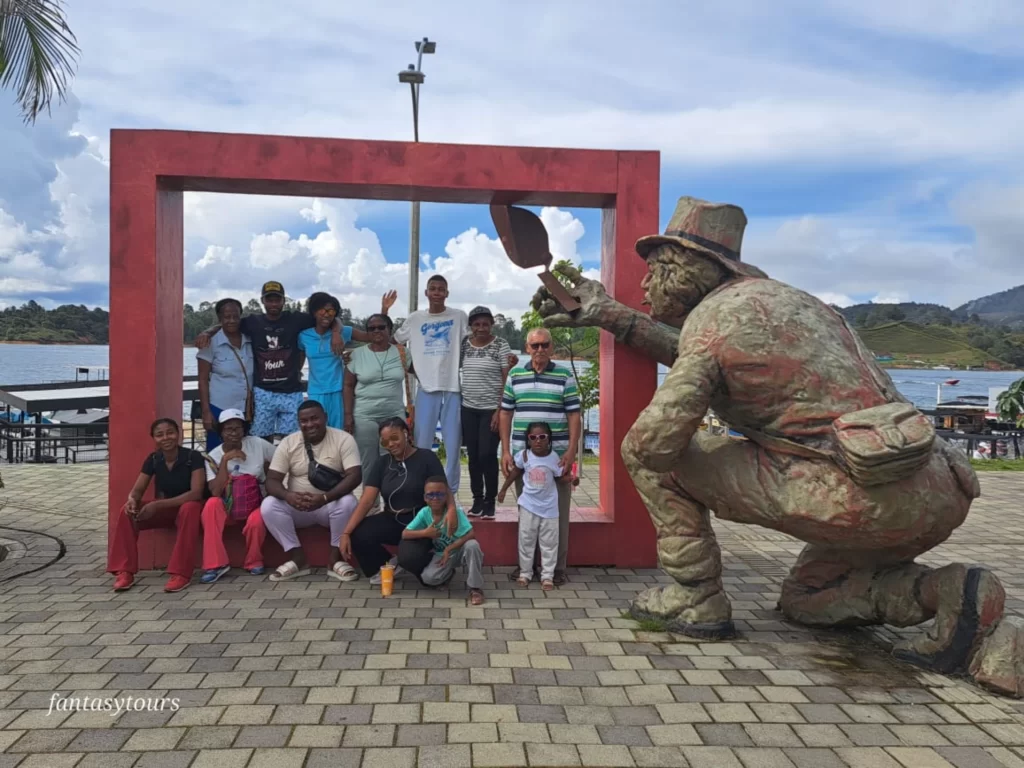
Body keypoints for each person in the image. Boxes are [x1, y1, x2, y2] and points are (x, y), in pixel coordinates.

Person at [195, 281, 344, 441]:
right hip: (263, 393)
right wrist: (207, 332)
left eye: (277, 299)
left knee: (293, 440)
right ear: (262, 301)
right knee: (260, 440)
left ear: (283, 301)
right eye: (269, 299)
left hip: (291, 392)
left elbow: (327, 318)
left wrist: (336, 333)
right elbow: (229, 323)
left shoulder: (297, 319)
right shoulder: (252, 322)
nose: (273, 304)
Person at [499, 327, 581, 585]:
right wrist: (505, 450)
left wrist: (571, 451)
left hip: (557, 458)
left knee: (559, 516)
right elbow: (505, 413)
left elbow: (573, 415)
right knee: (528, 513)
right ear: (527, 348)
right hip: (524, 458)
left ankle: (556, 569)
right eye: (535, 346)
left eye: (545, 345)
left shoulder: (564, 375)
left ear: (552, 347)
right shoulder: (515, 374)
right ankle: (526, 568)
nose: (540, 350)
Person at [340, 417, 459, 585]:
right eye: (385, 441)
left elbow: (443, 488)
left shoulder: (426, 458)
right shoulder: (382, 463)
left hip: (420, 520)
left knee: (412, 560)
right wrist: (345, 533)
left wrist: (452, 510)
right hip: (392, 518)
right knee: (359, 533)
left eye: (395, 438)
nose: (391, 444)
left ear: (406, 434)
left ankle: (434, 565)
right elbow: (367, 499)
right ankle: (389, 566)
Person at [260, 400, 363, 582]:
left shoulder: (343, 439)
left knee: (348, 502)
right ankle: (297, 558)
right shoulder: (288, 443)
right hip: (298, 507)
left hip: (328, 506)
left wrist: (324, 498)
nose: (309, 425)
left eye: (314, 418)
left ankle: (334, 559)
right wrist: (288, 496)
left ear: (325, 417)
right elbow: (272, 480)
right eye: (304, 421)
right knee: (269, 505)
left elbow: (355, 476)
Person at [108, 418, 205, 593]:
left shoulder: (193, 457)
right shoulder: (153, 459)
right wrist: (132, 499)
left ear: (179, 434)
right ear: (153, 438)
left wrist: (158, 505)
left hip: (187, 510)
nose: (166, 438)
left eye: (170, 432)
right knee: (126, 511)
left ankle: (181, 574)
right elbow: (138, 489)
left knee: (190, 508)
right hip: (165, 510)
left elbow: (196, 493)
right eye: (159, 435)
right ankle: (125, 571)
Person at [394, 275, 469, 491]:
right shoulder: (416, 318)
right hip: (426, 388)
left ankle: (451, 491)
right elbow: (396, 342)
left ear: (447, 293)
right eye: (432, 289)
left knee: (453, 445)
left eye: (441, 289)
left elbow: (471, 342)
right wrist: (410, 366)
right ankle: (420, 488)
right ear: (426, 293)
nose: (436, 292)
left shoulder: (459, 316)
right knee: (421, 444)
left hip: (453, 387)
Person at [299, 291, 399, 430]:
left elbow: (372, 336)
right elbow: (299, 363)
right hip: (316, 392)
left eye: (332, 311)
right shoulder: (304, 336)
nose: (327, 314)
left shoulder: (343, 332)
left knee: (340, 434)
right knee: (316, 433)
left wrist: (384, 310)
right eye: (323, 310)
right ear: (314, 312)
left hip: (339, 391)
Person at [199, 409, 276, 583]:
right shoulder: (213, 456)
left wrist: (271, 476)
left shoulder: (257, 444)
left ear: (244, 430)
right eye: (229, 429)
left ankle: (254, 560)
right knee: (211, 505)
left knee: (257, 520)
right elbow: (216, 491)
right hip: (228, 506)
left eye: (238, 428)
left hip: (254, 502)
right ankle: (215, 564)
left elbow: (281, 459)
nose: (234, 433)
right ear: (221, 432)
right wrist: (225, 461)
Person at [498, 422, 575, 590]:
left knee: (549, 542)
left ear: (549, 439)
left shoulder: (554, 457)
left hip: (549, 509)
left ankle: (548, 575)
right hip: (528, 506)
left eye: (542, 437)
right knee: (526, 540)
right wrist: (503, 490)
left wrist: (571, 479)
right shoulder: (524, 456)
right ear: (528, 440)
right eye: (533, 437)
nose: (538, 441)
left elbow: (559, 477)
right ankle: (525, 573)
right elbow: (515, 472)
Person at [343, 313, 411, 486]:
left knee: (393, 457)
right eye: (371, 328)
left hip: (394, 414)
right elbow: (348, 385)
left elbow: (423, 373)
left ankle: (391, 501)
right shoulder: (356, 355)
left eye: (381, 327)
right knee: (368, 462)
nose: (377, 331)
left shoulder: (402, 352)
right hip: (364, 415)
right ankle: (371, 504)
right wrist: (348, 415)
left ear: (390, 329)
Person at [460, 306, 513, 519]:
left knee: (487, 455)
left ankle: (490, 501)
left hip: (491, 409)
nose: (481, 328)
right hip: (468, 408)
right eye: (476, 324)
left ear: (491, 324)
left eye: (485, 324)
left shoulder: (500, 345)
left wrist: (499, 410)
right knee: (473, 456)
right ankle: (477, 500)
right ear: (471, 326)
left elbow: (506, 378)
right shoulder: (465, 344)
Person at [400, 475, 485, 605]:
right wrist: (425, 533)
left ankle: (475, 588)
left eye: (439, 495)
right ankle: (449, 574)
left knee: (472, 546)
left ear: (446, 497)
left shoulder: (454, 512)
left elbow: (471, 534)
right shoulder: (424, 513)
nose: (435, 498)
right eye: (430, 495)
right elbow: (405, 534)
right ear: (425, 498)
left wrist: (448, 549)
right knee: (428, 578)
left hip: (459, 550)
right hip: (442, 556)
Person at [196, 298, 253, 451]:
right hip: (219, 409)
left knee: (246, 451)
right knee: (217, 451)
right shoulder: (210, 342)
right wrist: (206, 412)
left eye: (235, 316)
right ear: (220, 318)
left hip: (246, 410)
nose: (231, 320)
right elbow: (202, 380)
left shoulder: (251, 339)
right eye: (226, 317)